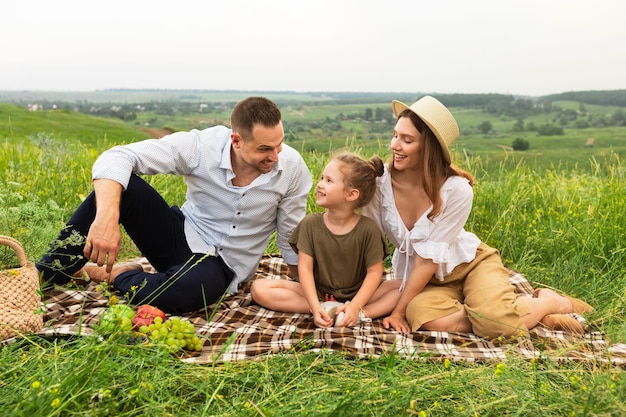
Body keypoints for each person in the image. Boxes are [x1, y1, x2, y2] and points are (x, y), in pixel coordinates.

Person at [37, 96, 313, 314]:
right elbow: (117, 157)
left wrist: (303, 286)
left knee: (188, 292)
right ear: (237, 140)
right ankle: (44, 274)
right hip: (181, 237)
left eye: (279, 145)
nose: (275, 156)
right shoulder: (200, 147)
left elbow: (291, 233)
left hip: (224, 267)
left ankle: (115, 276)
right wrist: (107, 219)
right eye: (264, 149)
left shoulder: (291, 168)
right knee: (121, 186)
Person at [362, 96, 593, 338]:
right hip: (431, 283)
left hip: (471, 265)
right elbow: (369, 242)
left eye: (406, 140)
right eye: (395, 135)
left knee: (496, 326)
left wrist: (398, 311)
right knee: (429, 320)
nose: (394, 145)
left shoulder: (456, 190)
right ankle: (524, 314)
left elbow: (427, 260)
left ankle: (550, 303)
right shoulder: (380, 184)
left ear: (428, 148)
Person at [251, 152, 402, 327]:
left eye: (329, 181)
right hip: (318, 292)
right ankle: (327, 310)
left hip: (360, 294)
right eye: (322, 178)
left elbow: (375, 273)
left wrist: (356, 305)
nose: (320, 185)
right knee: (259, 289)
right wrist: (315, 305)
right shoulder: (310, 224)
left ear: (351, 194)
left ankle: (358, 314)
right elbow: (305, 269)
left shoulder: (368, 229)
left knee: (401, 288)